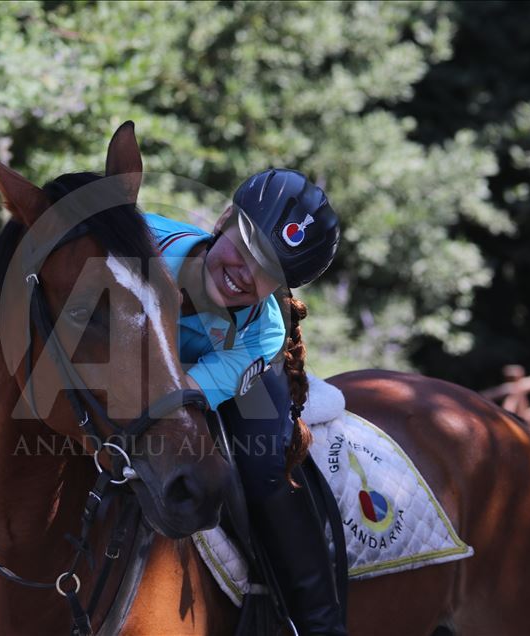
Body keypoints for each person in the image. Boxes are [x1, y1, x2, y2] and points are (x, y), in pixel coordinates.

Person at [143, 168, 345, 636]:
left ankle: (319, 623)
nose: (247, 274)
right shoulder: (139, 239)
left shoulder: (264, 334)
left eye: (269, 271)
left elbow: (169, 397)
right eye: (246, 246)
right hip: (149, 365)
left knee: (265, 467)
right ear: (223, 220)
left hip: (224, 370)